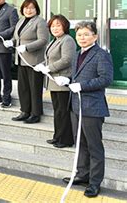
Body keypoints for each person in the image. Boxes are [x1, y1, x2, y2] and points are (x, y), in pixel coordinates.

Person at [62, 21, 113, 198]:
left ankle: (95, 182)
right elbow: (76, 75)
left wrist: (82, 86)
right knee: (80, 144)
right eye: (79, 35)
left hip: (92, 108)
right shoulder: (77, 54)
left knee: (94, 146)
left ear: (95, 36)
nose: (82, 38)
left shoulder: (101, 54)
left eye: (86, 34)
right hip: (76, 105)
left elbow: (106, 79)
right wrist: (67, 80)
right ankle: (82, 175)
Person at [35, 15, 75, 148]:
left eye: (58, 25)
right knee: (57, 110)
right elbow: (49, 59)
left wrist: (49, 68)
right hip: (53, 82)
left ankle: (66, 139)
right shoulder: (54, 41)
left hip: (62, 80)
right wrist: (41, 65)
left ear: (65, 26)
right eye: (52, 26)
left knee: (62, 111)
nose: (55, 28)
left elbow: (66, 60)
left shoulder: (67, 40)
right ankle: (57, 136)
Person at [7, 0, 49, 124]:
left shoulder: (40, 22)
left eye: (31, 8)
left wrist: (27, 47)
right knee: (23, 87)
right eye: (26, 8)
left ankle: (35, 113)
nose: (28, 10)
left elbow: (43, 40)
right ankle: (25, 111)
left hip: (34, 61)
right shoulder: (21, 21)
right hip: (21, 60)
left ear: (36, 9)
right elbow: (17, 38)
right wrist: (12, 42)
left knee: (34, 87)